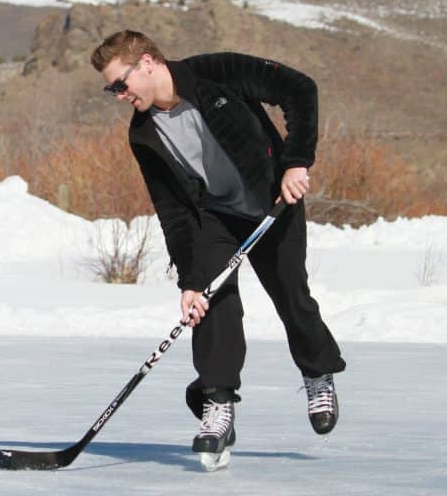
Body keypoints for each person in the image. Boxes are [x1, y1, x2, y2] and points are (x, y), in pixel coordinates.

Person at [91, 30, 346, 464]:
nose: (119, 96)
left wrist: (296, 161)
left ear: (147, 64)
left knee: (291, 294)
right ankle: (218, 403)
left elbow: (299, 88)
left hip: (272, 201)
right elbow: (171, 210)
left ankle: (317, 372)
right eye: (111, 89)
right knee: (211, 300)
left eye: (121, 84)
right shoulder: (143, 134)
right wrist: (189, 282)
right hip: (216, 216)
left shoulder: (217, 73)